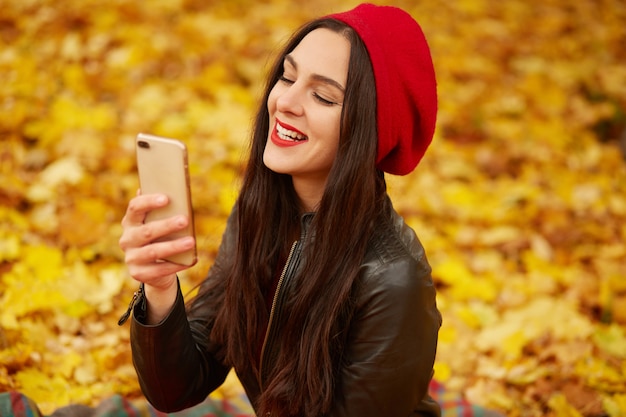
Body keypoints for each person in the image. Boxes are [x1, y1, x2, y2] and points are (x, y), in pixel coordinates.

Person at [118, 3, 442, 417]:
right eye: (288, 76)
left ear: (369, 130)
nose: (285, 101)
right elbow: (179, 387)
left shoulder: (393, 279)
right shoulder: (259, 213)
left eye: (323, 96)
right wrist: (160, 288)